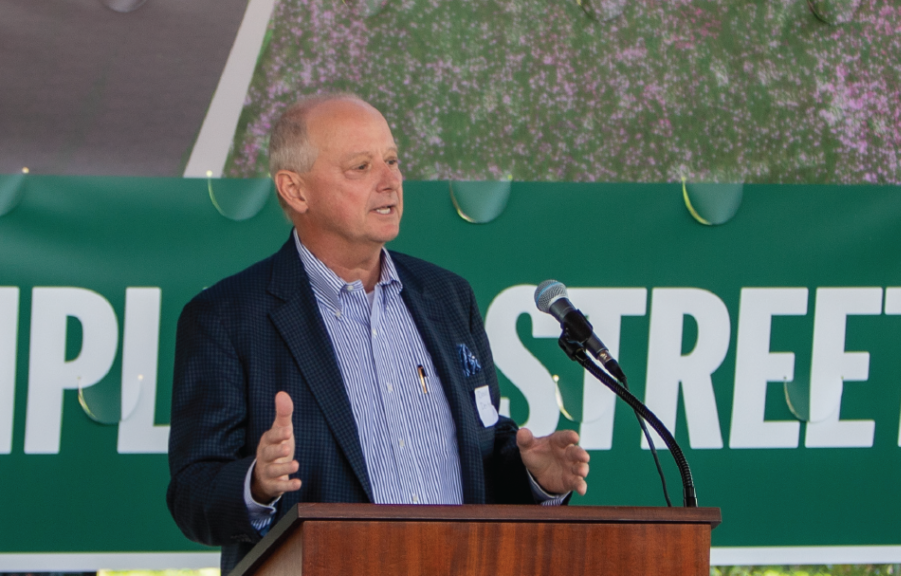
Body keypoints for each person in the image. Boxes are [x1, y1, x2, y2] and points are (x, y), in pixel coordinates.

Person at [166, 93, 590, 572]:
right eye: (361, 167)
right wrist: (256, 484)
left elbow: (484, 448)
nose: (390, 181)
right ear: (295, 190)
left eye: (392, 161)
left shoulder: (448, 296)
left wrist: (533, 477)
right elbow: (192, 494)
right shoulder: (225, 318)